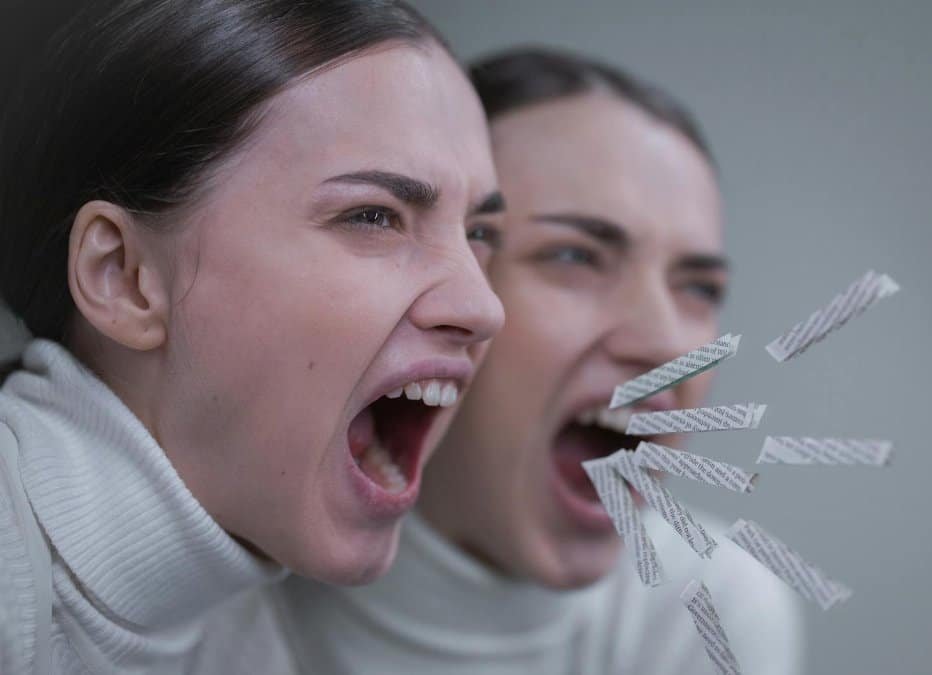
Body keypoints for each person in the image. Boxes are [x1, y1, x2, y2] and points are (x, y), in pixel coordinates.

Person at [0, 2, 505, 673]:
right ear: (121, 275)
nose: (484, 306)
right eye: (374, 215)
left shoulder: (251, 643)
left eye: (478, 233)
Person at [275, 47, 805, 674]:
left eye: (698, 287)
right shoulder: (216, 605)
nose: (668, 344)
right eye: (574, 257)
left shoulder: (711, 612)